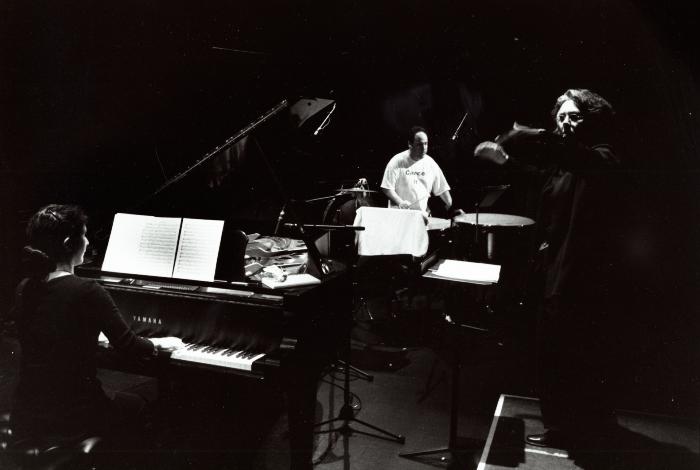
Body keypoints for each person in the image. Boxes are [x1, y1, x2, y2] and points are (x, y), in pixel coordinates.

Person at [474, 89, 620, 449]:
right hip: (554, 272)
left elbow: (573, 155)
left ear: (593, 121)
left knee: (574, 355)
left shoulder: (602, 158)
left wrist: (530, 133)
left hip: (582, 277)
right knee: (550, 354)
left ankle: (582, 428)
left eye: (575, 117)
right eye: (562, 116)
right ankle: (563, 427)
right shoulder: (566, 164)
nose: (566, 123)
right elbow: (539, 180)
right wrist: (505, 161)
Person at [9, 204, 184, 450]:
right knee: (141, 405)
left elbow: (51, 330)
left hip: (27, 411)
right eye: (85, 234)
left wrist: (88, 334)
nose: (89, 241)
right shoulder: (87, 291)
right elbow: (130, 347)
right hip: (74, 415)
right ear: (70, 243)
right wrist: (157, 343)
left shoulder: (25, 287)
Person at [381, 126, 459, 218]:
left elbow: (442, 189)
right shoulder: (397, 161)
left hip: (421, 217)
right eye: (419, 144)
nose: (424, 148)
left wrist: (450, 204)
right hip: (399, 217)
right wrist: (400, 202)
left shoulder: (430, 163)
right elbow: (387, 188)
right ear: (410, 144)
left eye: (426, 144)